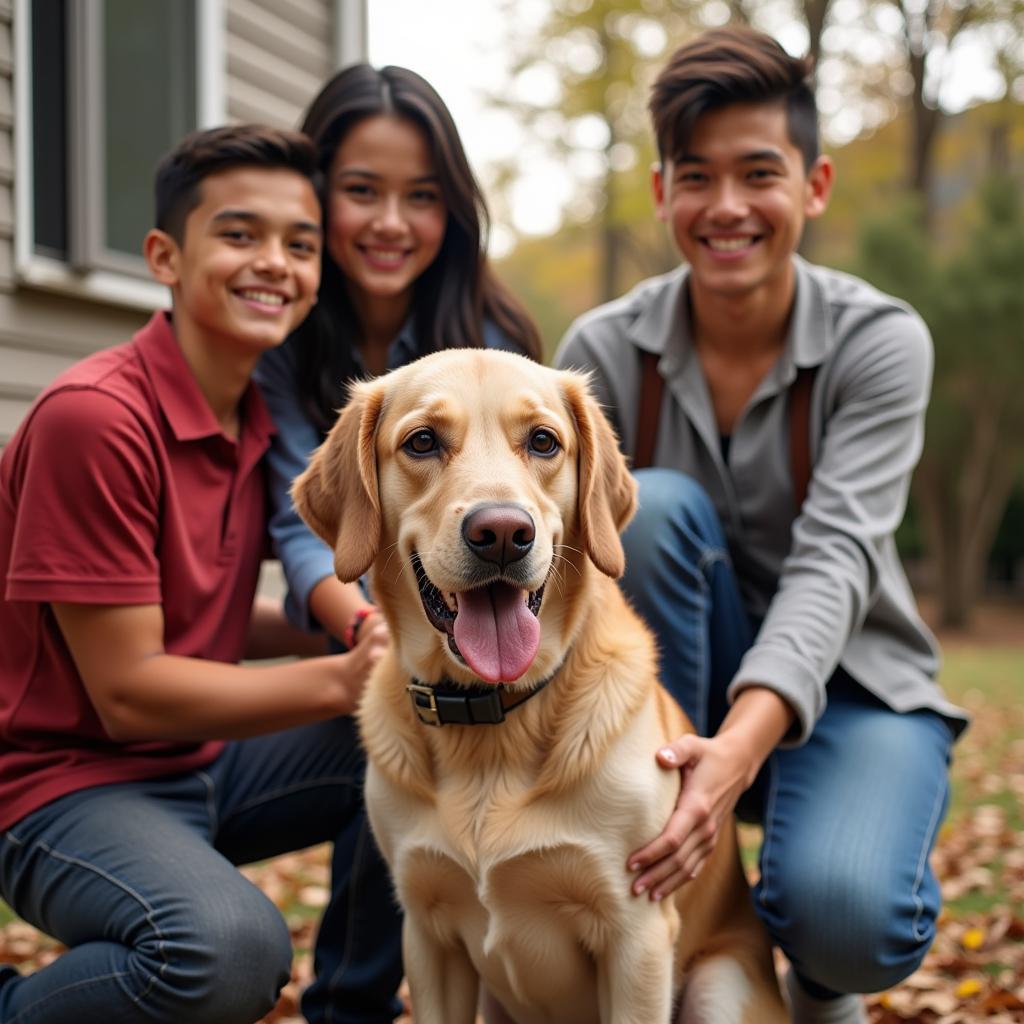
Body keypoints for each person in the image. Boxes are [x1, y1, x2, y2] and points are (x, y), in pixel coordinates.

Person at [554, 26, 968, 1024]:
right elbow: (566, 556)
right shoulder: (600, 352)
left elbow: (833, 565)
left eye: (759, 173)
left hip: (854, 681)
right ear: (661, 193)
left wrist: (733, 757)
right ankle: (691, 918)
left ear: (815, 184)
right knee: (646, 514)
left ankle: (815, 982)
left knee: (849, 916)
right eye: (695, 177)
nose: (726, 207)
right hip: (659, 700)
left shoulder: (877, 341)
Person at [0, 124, 391, 1024]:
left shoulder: (256, 413)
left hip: (200, 765)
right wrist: (341, 676)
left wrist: (363, 630)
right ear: (165, 257)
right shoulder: (95, 420)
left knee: (409, 738)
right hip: (62, 785)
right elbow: (130, 691)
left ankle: (355, 1008)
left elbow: (199, 619)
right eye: (240, 234)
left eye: (299, 244)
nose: (275, 264)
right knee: (228, 952)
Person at [252, 64, 541, 1021]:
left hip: (490, 623)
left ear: (452, 211)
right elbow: (308, 525)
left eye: (422, 197)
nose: (391, 222)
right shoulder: (282, 344)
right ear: (318, 195)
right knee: (380, 710)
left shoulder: (495, 334)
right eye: (362, 191)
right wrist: (366, 624)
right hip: (371, 617)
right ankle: (351, 1002)